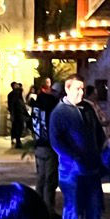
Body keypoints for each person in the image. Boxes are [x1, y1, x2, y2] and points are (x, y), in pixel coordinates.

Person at [48, 75, 107, 219]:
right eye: (77, 89)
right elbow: (56, 141)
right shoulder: (59, 112)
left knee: (94, 211)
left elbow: (98, 132)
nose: (81, 92)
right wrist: (75, 157)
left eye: (82, 89)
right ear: (67, 89)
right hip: (71, 172)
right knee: (72, 212)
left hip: (91, 169)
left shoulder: (88, 108)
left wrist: (97, 152)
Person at [30, 79, 61, 210]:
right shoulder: (54, 105)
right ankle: (48, 209)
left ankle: (37, 206)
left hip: (38, 144)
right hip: (50, 145)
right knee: (50, 179)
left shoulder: (37, 104)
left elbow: (30, 123)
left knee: (41, 178)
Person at [7, 80, 28, 146]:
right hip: (17, 113)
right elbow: (11, 105)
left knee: (18, 126)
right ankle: (17, 140)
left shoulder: (19, 95)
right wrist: (12, 113)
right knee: (17, 126)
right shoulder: (13, 95)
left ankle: (17, 139)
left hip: (20, 112)